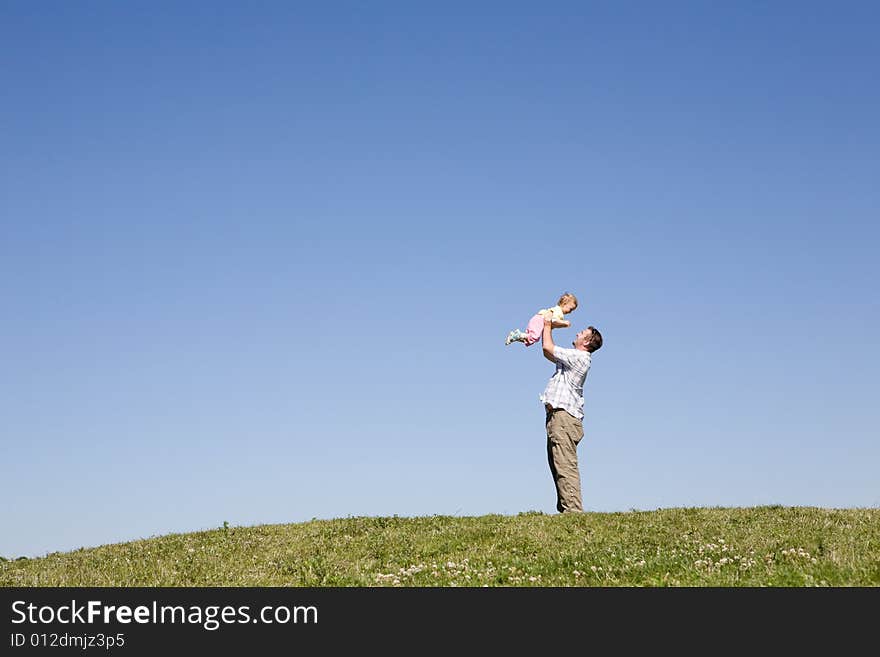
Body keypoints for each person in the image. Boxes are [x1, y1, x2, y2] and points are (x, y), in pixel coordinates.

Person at [539, 316, 603, 513]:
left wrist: (548, 325)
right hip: (558, 418)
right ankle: (567, 508)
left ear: (586, 342)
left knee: (565, 464)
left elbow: (548, 348)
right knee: (558, 463)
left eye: (582, 333)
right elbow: (549, 352)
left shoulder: (580, 357)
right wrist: (547, 329)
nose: (577, 333)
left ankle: (573, 512)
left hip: (564, 418)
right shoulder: (572, 357)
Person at [505, 292, 578, 346]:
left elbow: (553, 324)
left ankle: (516, 336)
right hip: (540, 319)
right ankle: (517, 335)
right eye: (570, 309)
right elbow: (552, 320)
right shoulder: (558, 312)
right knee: (534, 337)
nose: (570, 312)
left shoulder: (557, 311)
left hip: (537, 319)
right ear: (565, 303)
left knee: (531, 340)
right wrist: (564, 323)